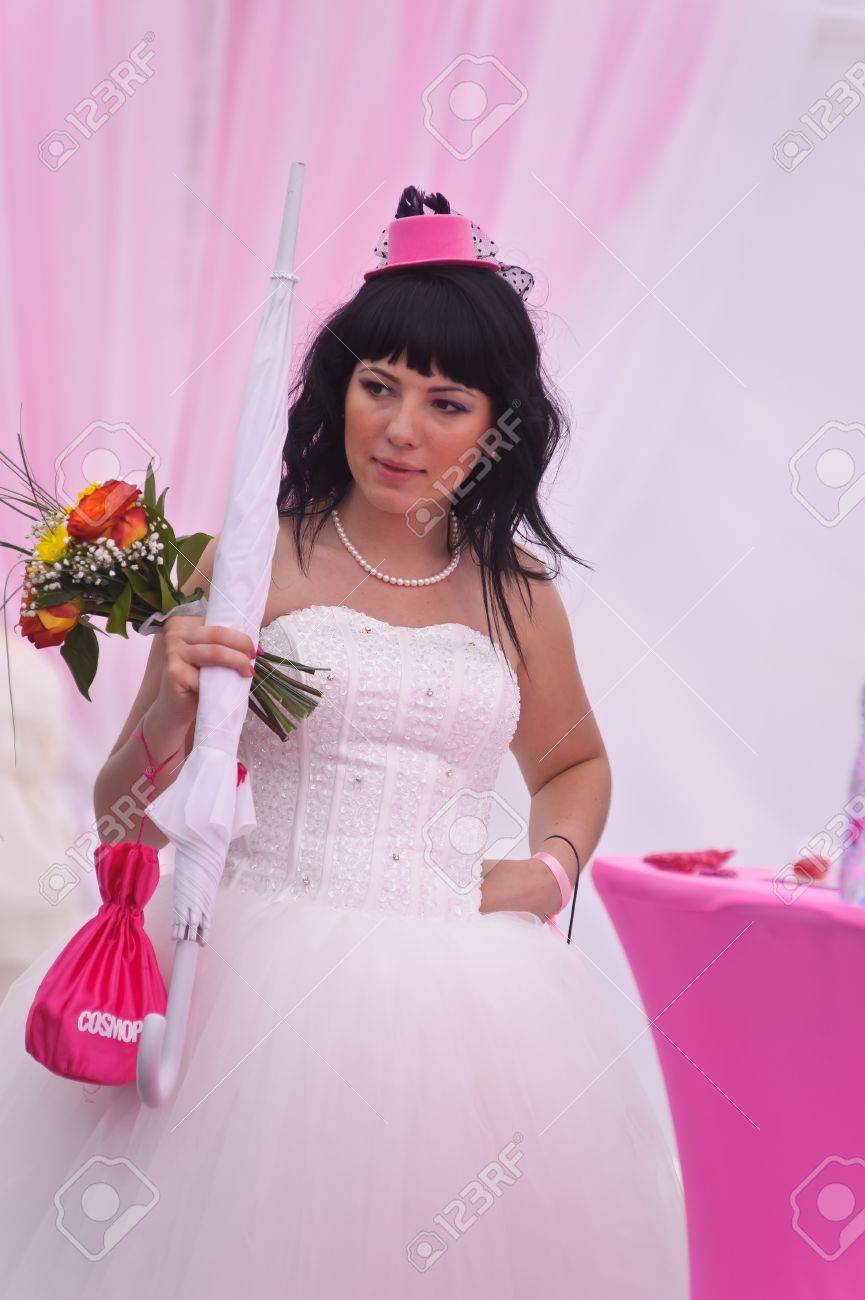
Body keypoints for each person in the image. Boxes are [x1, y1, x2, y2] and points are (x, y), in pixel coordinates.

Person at [0, 186, 689, 1297]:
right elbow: (121, 820)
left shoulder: (518, 596)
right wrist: (171, 707)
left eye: (446, 402)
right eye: (378, 386)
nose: (401, 430)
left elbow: (573, 763)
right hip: (242, 990)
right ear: (339, 390)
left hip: (469, 1017)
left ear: (498, 425)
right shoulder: (243, 561)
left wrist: (551, 868)